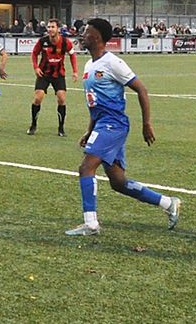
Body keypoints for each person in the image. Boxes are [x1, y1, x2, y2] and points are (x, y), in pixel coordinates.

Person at [65, 18, 181, 236]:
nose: (82, 35)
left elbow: (142, 90)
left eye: (86, 32)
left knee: (85, 168)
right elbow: (95, 104)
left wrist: (146, 124)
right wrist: (89, 130)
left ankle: (90, 224)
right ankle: (168, 203)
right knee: (118, 182)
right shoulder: (90, 64)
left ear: (97, 36)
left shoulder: (113, 63)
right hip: (102, 124)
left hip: (113, 125)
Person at [27, 18, 78, 137]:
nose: (50, 29)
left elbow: (72, 55)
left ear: (58, 29)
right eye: (48, 27)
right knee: (37, 99)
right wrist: (36, 67)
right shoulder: (42, 41)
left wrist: (75, 71)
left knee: (61, 99)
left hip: (58, 74)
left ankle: (61, 128)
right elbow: (34, 53)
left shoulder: (66, 42)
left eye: (52, 27)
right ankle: (33, 125)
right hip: (43, 74)